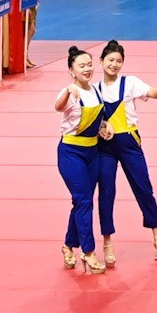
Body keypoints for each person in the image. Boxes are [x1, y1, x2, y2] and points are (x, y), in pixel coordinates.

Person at [93, 39, 157, 266]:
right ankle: (107, 242)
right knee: (106, 193)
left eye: (118, 61)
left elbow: (152, 92)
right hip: (104, 146)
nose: (114, 65)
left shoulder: (131, 83)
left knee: (144, 188)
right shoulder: (94, 89)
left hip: (129, 143)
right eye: (110, 60)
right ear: (101, 62)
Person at [52, 45, 109, 274]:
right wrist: (68, 91)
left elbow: (98, 119)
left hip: (92, 152)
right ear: (71, 71)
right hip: (71, 153)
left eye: (89, 65)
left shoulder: (96, 91)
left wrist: (105, 126)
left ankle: (68, 245)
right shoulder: (69, 92)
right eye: (81, 66)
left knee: (81, 201)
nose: (87, 69)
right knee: (85, 201)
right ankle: (88, 251)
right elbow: (58, 107)